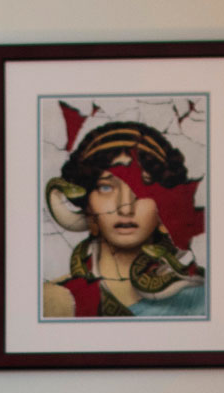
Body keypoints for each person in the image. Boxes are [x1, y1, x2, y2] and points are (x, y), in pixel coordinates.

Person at [39, 120, 205, 318]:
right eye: (106, 187)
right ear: (88, 203)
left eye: (143, 187)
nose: (125, 207)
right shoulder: (53, 301)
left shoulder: (204, 299)